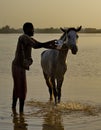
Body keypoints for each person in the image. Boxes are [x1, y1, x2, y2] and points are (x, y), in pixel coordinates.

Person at [12, 22, 60, 114]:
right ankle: (20, 113)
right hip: (18, 67)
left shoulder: (28, 38)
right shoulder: (24, 37)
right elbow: (37, 45)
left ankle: (15, 112)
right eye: (32, 29)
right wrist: (52, 42)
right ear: (27, 30)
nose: (34, 30)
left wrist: (55, 45)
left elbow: (41, 44)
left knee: (17, 88)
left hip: (18, 66)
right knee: (22, 89)